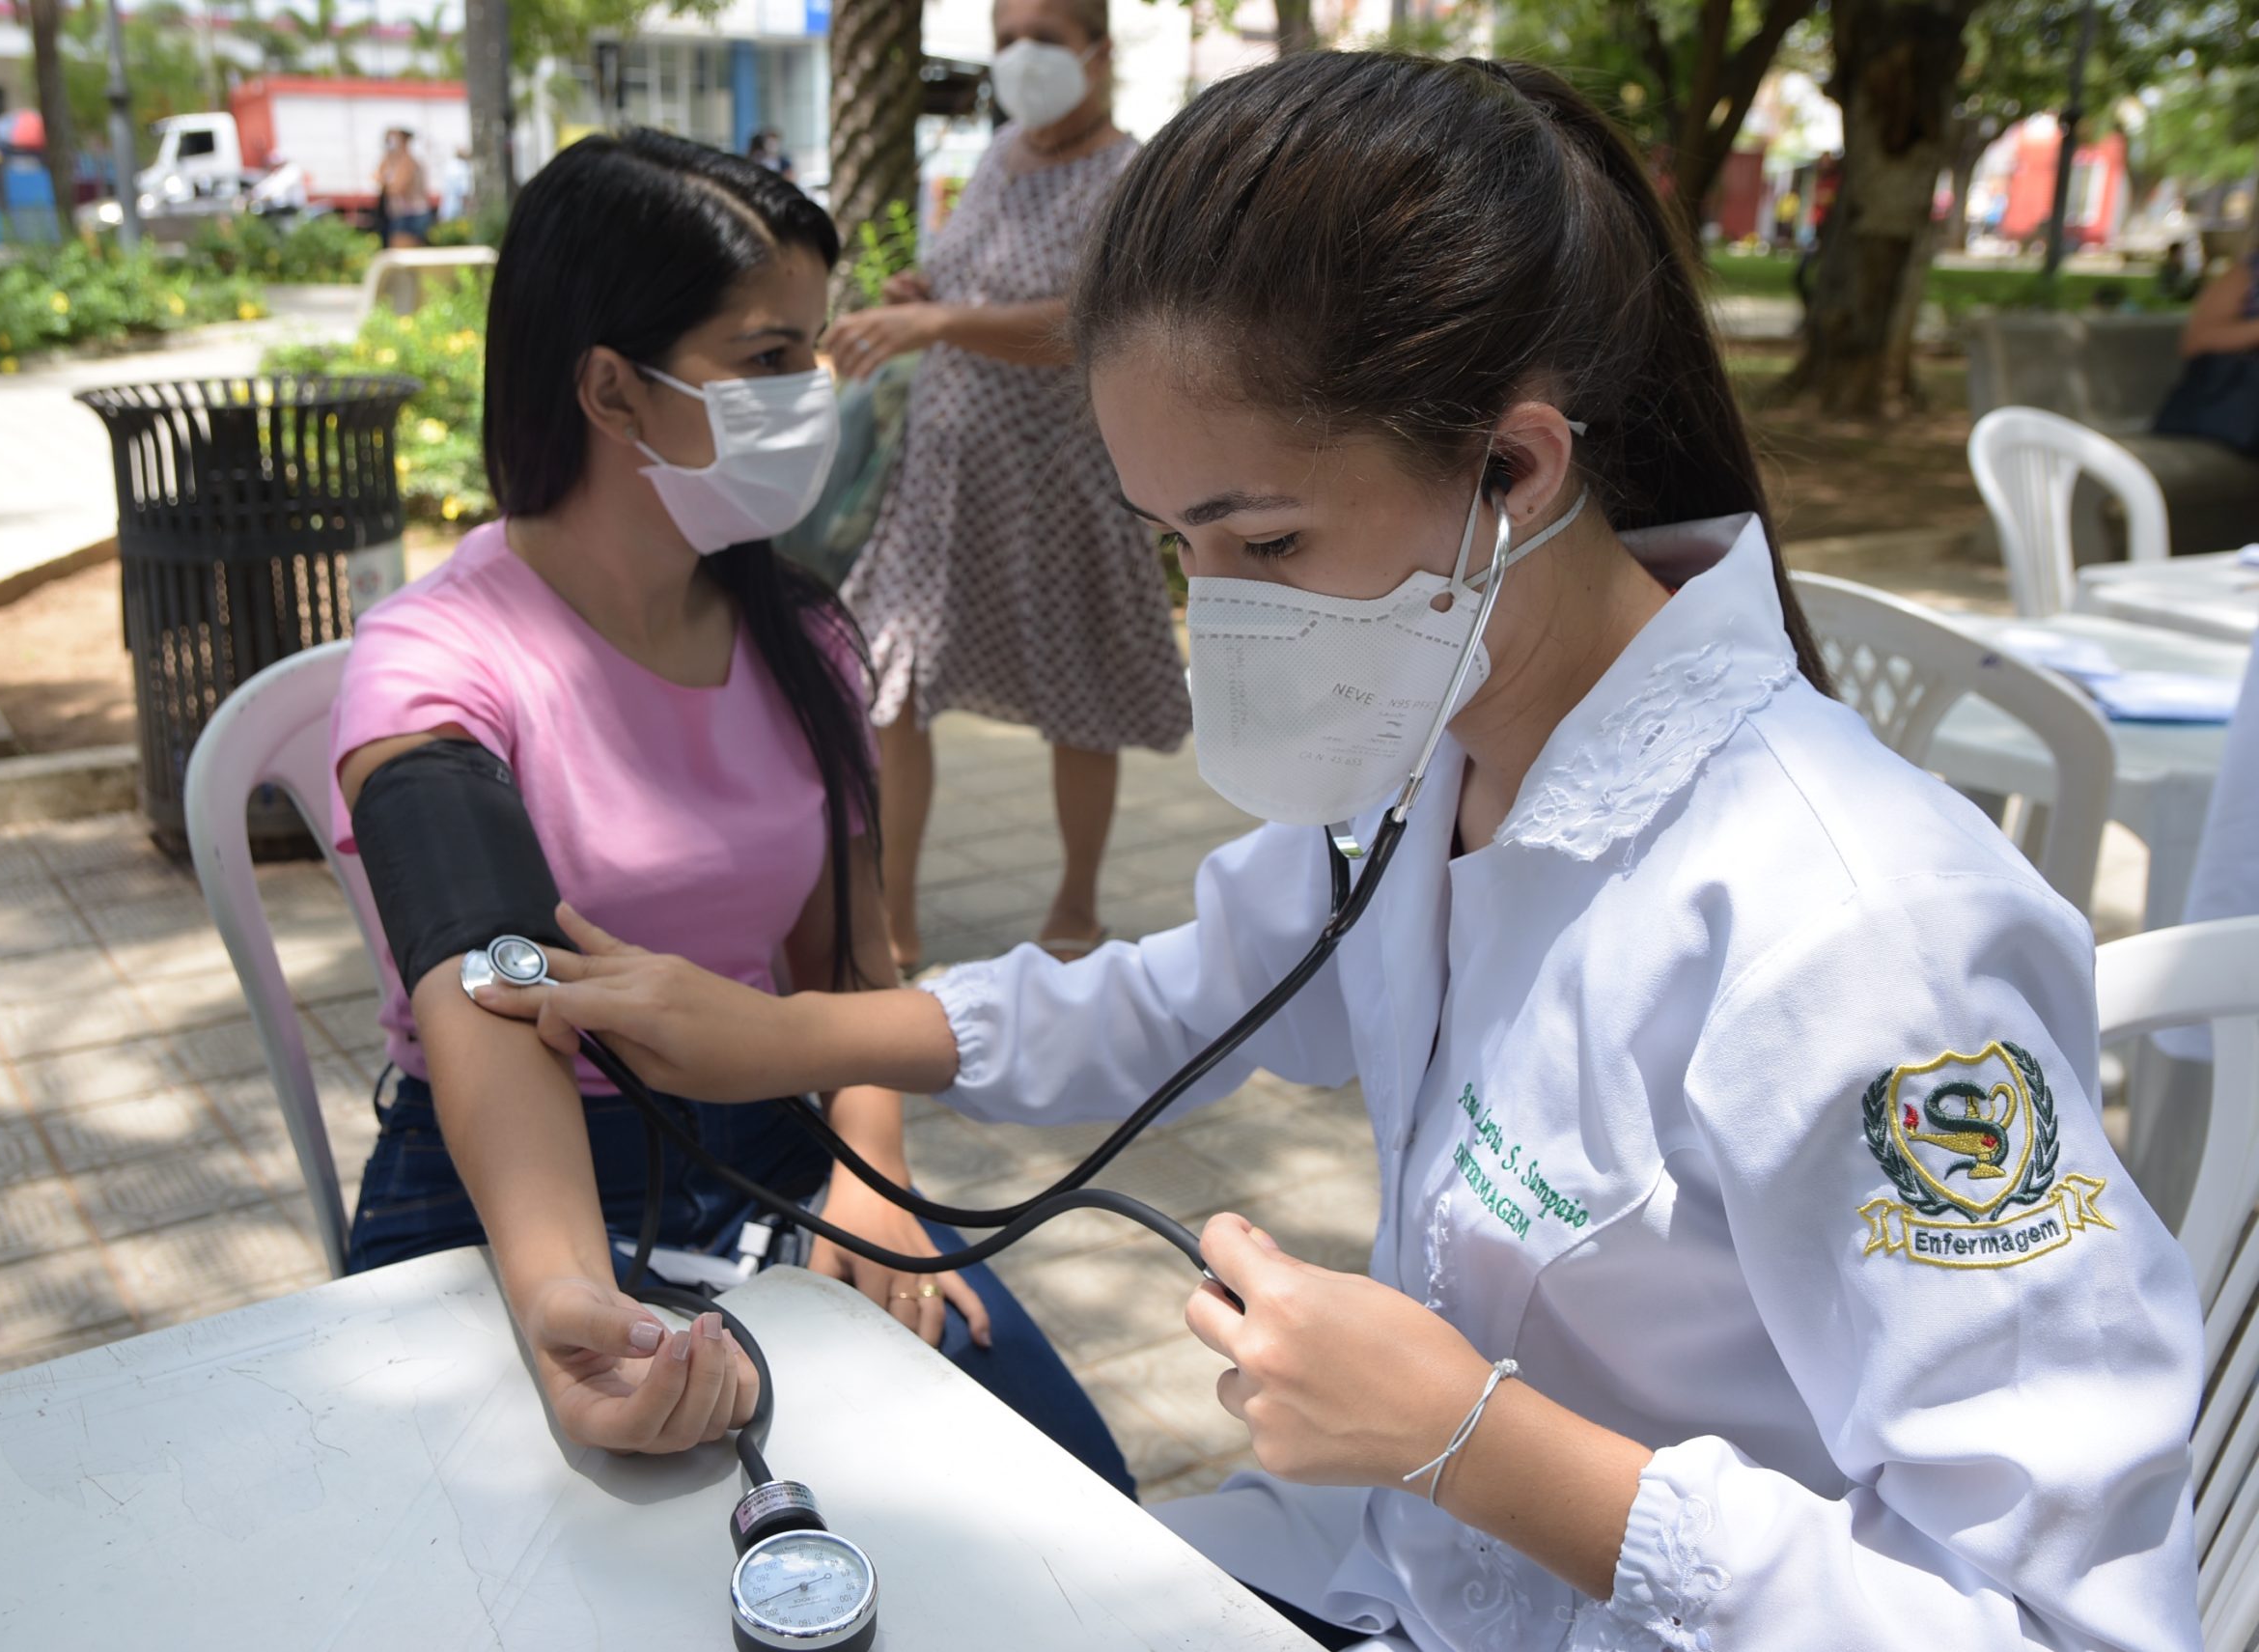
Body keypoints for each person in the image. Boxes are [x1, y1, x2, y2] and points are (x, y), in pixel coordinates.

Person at [478, 55, 2205, 1648]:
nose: (1216, 620)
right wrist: (775, 1034)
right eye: (1177, 550)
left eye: (1270, 541)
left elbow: (2072, 1624)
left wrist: (1485, 1447)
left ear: (1514, 469)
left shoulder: (1859, 938)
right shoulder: (1440, 742)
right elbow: (1190, 994)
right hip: (1401, 1573)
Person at [328, 131, 1130, 1492]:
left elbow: (851, 970)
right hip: (507, 1192)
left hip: (770, 1149)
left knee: (1073, 1486)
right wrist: (568, 1300)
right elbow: (494, 982)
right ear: (609, 389)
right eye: (768, 358)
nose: (815, 391)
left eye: (814, 348)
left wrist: (874, 1180)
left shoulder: (803, 636)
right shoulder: (431, 661)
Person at [826, 0, 1192, 971]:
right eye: (1004, 41)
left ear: (1098, 52)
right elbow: (963, 284)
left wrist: (938, 324)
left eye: (1042, 37)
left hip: (1061, 482)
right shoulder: (995, 158)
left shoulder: (1131, 173)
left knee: (1080, 694)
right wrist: (920, 295)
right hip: (945, 482)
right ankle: (892, 911)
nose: (1021, 60)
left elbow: (1088, 323)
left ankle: (1076, 901)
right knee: (890, 682)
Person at [376, 127, 431, 247]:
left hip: (410, 215)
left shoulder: (409, 161)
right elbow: (377, 176)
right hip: (400, 214)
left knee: (405, 256)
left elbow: (398, 188)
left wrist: (386, 184)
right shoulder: (392, 161)